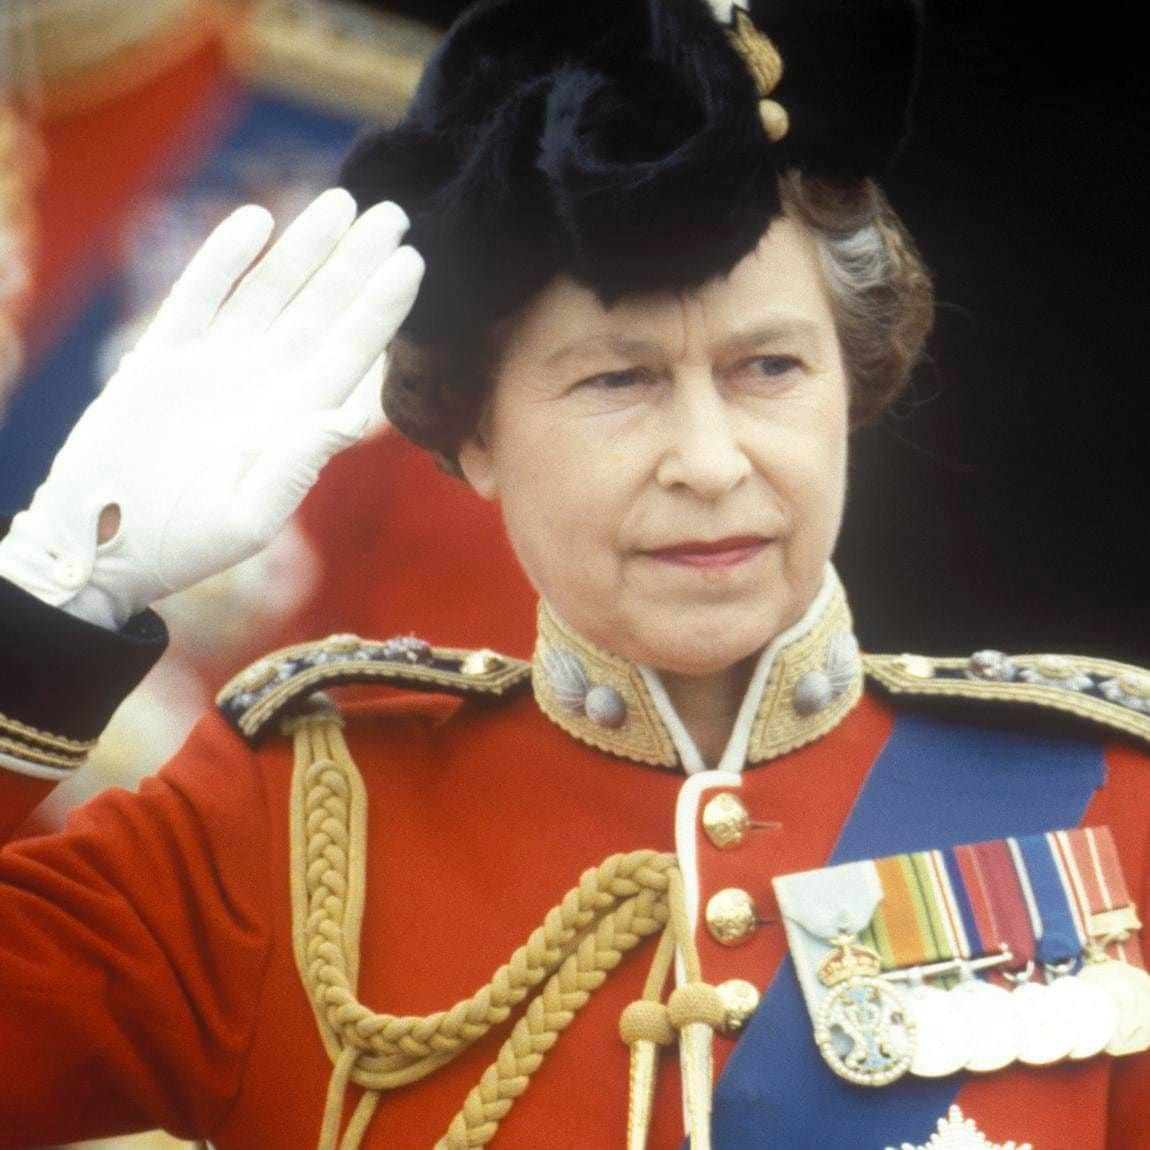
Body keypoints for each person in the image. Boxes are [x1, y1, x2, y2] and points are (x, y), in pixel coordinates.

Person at [1, 1, 1148, 1148]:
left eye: (768, 367)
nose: (709, 461)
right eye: (618, 380)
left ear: (850, 388)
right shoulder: (283, 832)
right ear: (474, 433)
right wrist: (55, 602)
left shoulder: (1109, 806)